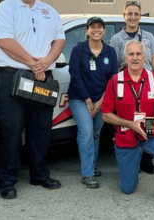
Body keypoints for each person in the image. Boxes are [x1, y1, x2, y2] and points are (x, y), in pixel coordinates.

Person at [0, 0, 65, 199]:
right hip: (12, 75)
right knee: (11, 129)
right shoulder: (5, 9)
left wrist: (46, 62)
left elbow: (59, 39)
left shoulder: (49, 11)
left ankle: (39, 174)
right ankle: (6, 179)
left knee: (40, 129)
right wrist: (34, 64)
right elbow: (4, 41)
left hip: (42, 77)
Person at [102, 40, 154, 203]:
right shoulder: (115, 81)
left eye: (138, 54)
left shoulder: (153, 78)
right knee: (128, 189)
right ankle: (132, 167)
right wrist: (130, 124)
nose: (135, 58)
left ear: (145, 57)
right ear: (125, 57)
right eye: (131, 54)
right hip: (126, 133)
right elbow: (105, 114)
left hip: (150, 129)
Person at [109, 0, 154, 174]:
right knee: (127, 122)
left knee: (149, 120)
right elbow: (114, 64)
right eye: (129, 14)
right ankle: (131, 159)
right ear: (124, 16)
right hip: (126, 84)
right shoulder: (116, 39)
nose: (133, 17)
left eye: (136, 14)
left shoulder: (149, 37)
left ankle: (147, 159)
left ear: (140, 16)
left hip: (147, 83)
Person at [68, 16, 118, 188]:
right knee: (87, 132)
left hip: (101, 99)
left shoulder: (110, 51)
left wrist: (101, 101)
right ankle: (87, 173)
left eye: (99, 27)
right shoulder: (78, 50)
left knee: (96, 133)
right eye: (92, 27)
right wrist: (89, 101)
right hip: (80, 99)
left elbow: (112, 79)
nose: (96, 30)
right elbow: (75, 77)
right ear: (87, 31)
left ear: (104, 31)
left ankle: (91, 164)